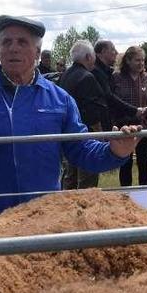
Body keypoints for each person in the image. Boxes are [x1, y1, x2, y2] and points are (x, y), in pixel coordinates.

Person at [0, 15, 142, 220]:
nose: (13, 48)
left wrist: (115, 151)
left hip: (45, 219)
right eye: (6, 42)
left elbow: (81, 150)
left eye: (22, 42)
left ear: (37, 53)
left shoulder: (60, 100)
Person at [58, 40, 105, 189]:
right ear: (88, 57)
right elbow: (92, 111)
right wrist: (100, 133)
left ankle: (66, 209)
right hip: (85, 134)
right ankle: (85, 211)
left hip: (67, 134)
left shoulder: (64, 75)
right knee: (87, 178)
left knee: (69, 177)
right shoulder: (87, 77)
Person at [113, 46, 147, 187]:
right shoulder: (117, 78)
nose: (141, 63)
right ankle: (126, 194)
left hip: (144, 128)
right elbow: (113, 102)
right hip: (124, 128)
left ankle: (145, 194)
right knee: (125, 162)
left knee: (144, 162)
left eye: (143, 60)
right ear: (128, 60)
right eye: (137, 60)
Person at [92, 40, 140, 132]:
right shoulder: (97, 72)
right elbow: (109, 97)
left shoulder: (106, 72)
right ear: (103, 52)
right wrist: (134, 111)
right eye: (113, 49)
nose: (116, 52)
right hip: (102, 124)